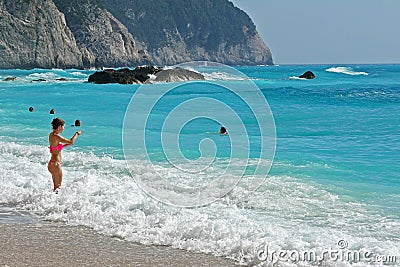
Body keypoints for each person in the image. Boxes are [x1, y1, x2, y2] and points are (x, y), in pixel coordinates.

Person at [48, 117, 82, 191]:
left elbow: (56, 148)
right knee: (58, 188)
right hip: (56, 165)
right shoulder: (56, 136)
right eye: (63, 126)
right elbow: (71, 141)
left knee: (56, 188)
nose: (63, 128)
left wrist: (65, 145)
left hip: (52, 164)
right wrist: (77, 134)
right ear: (59, 126)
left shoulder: (51, 135)